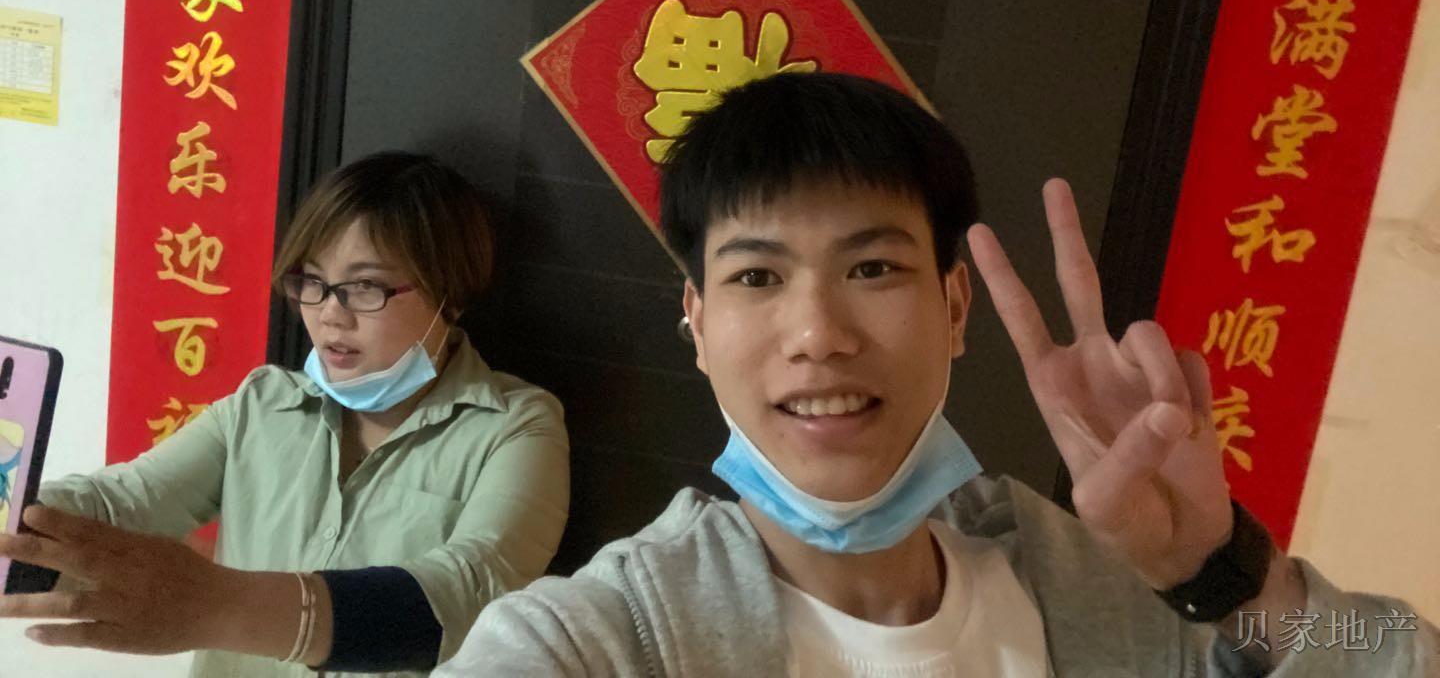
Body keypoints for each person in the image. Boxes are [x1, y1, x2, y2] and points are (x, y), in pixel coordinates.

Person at [434, 73, 1435, 677]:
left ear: (956, 309)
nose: (817, 333)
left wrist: (1222, 572)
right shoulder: (606, 638)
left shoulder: (1094, 590)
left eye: (873, 268)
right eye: (757, 277)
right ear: (697, 323)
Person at [0, 151, 570, 676]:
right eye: (313, 282)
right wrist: (12, 519)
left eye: (365, 287)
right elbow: (122, 501)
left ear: (451, 294)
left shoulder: (516, 427)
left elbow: (467, 594)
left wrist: (213, 605)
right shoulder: (263, 405)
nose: (329, 315)